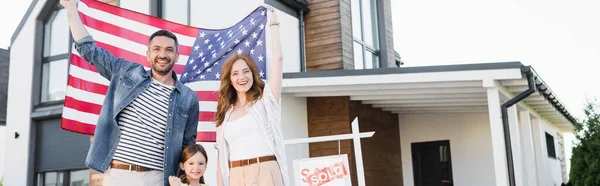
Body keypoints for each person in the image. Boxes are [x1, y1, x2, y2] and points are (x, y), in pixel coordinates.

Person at [60, 0, 199, 185]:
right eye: (156, 49)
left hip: (157, 178)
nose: (163, 54)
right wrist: (71, 10)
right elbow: (89, 51)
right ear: (148, 54)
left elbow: (187, 147)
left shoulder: (189, 98)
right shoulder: (127, 73)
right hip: (119, 174)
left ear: (177, 56)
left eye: (169, 50)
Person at [214, 7, 288, 186]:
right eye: (236, 74)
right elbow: (221, 156)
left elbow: (278, 59)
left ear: (253, 75)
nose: (242, 77)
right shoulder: (225, 114)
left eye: (246, 72)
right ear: (230, 80)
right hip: (236, 175)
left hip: (265, 170)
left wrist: (273, 23)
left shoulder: (266, 100)